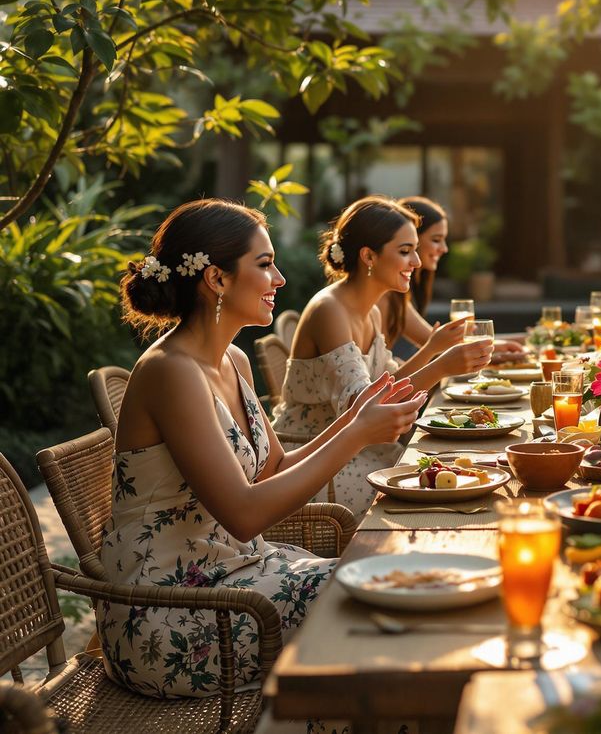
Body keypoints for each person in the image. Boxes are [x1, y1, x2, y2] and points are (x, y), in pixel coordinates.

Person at [101, 199, 426, 698]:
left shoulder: (231, 359)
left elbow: (274, 466)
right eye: (264, 264)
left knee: (395, 580)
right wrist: (357, 435)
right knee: (383, 609)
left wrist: (356, 423)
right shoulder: (171, 371)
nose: (280, 279)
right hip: (172, 611)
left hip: (240, 575)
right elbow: (245, 514)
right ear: (217, 279)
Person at [273, 196, 493, 516]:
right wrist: (440, 366)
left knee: (462, 471)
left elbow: (386, 384)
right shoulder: (330, 310)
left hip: (360, 450)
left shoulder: (371, 311)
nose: (416, 262)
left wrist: (433, 353)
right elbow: (367, 409)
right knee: (444, 494)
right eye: (405, 251)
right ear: (369, 256)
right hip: (316, 463)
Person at [378, 195, 526, 362]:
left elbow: (443, 345)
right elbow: (436, 344)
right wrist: (514, 344)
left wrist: (523, 339)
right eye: (436, 240)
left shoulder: (405, 290)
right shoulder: (388, 292)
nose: (444, 249)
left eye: (444, 240)